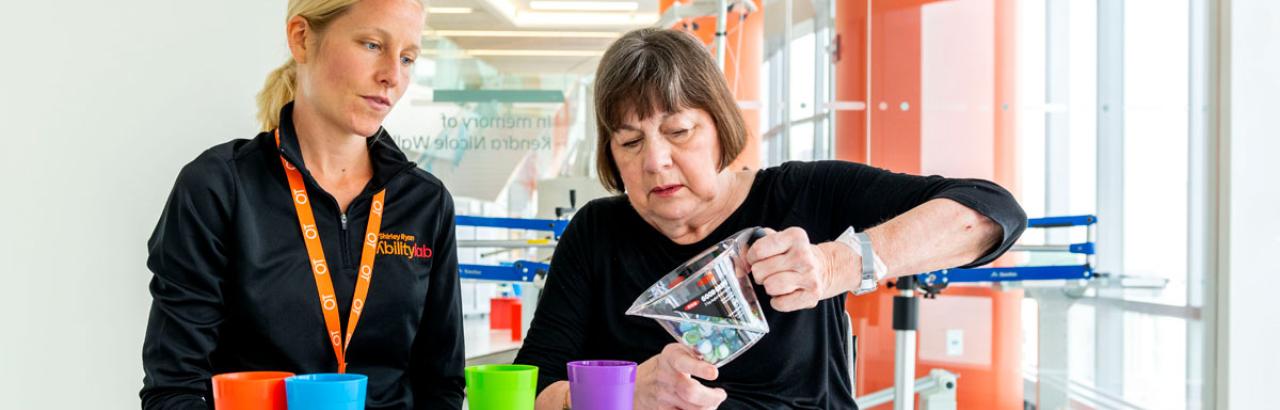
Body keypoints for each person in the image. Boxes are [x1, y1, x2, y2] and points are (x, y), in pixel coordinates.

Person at [514, 28, 1027, 409]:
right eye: (630, 142)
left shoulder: (805, 196)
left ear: (720, 125)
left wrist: (839, 264)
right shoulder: (597, 233)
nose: (655, 161)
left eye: (679, 132)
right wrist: (623, 394)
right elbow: (528, 391)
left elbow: (990, 213)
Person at [140, 0, 463, 408]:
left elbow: (442, 384)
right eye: (371, 44)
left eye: (407, 57)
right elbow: (173, 388)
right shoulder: (219, 187)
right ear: (301, 38)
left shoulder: (425, 203)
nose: (391, 76)